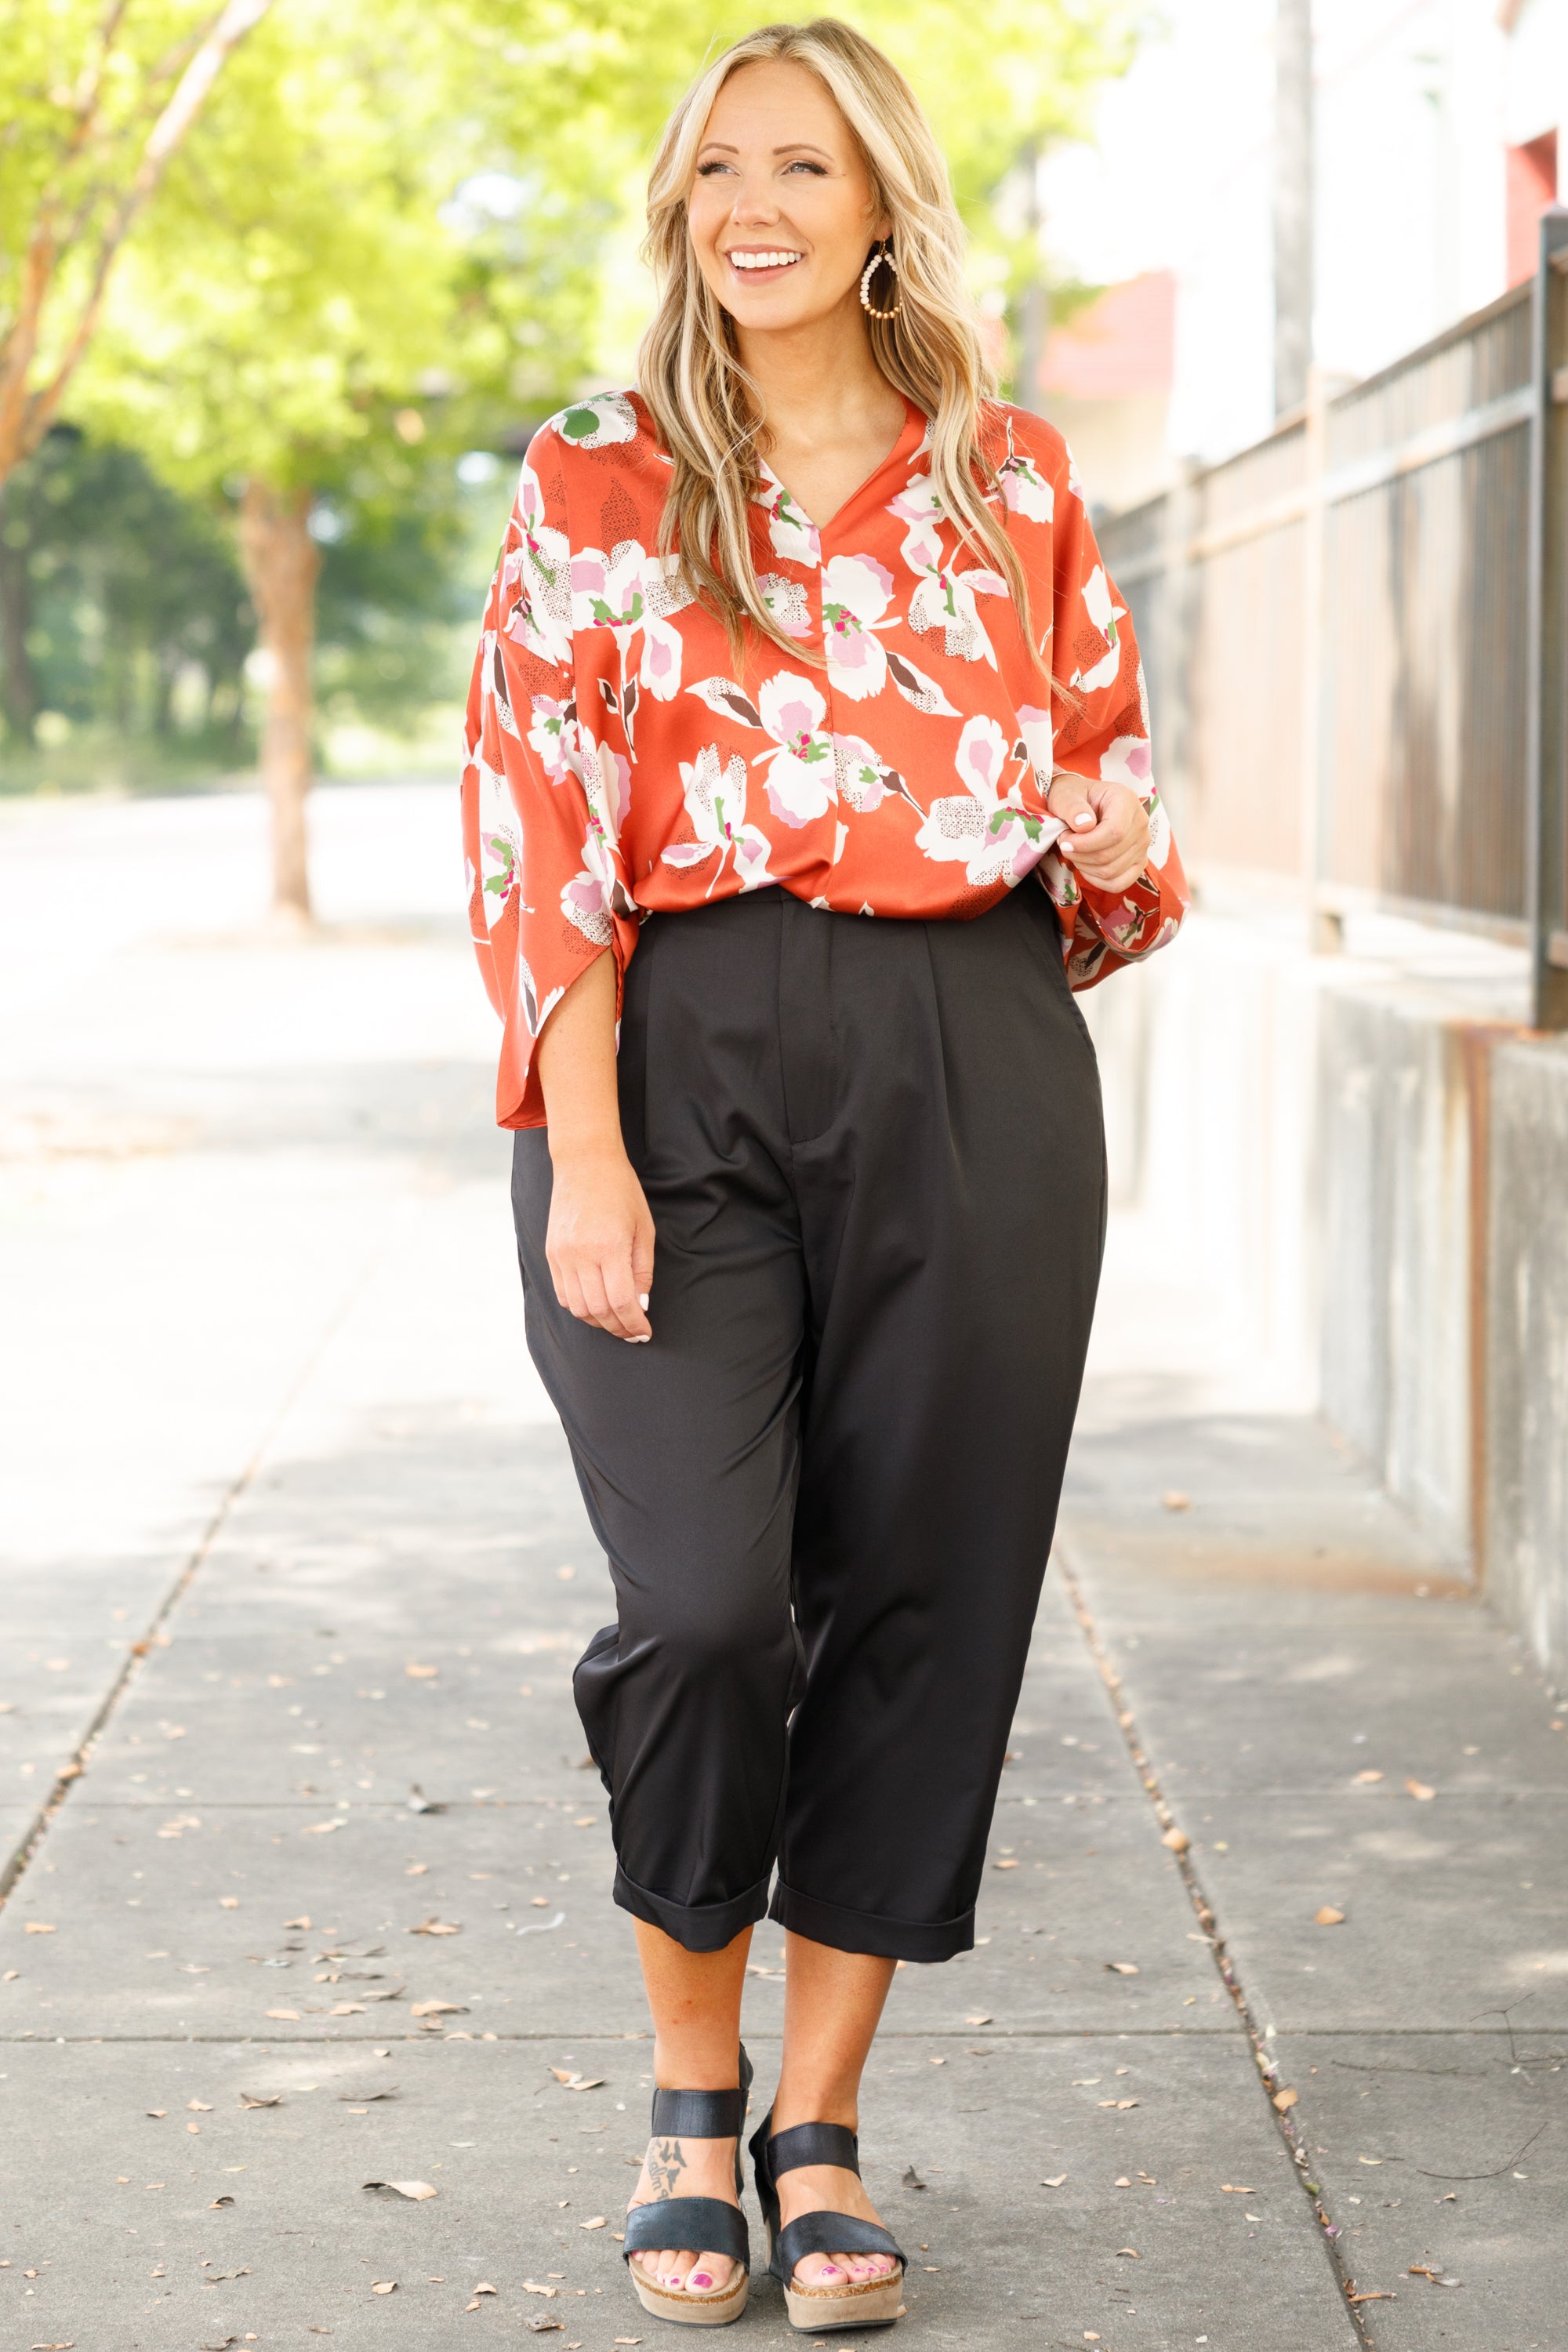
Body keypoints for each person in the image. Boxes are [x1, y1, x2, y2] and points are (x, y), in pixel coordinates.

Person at [461, 16, 1187, 2332]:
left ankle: (814, 2126)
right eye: (717, 169)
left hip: (970, 1050)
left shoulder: (1015, 478)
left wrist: (1110, 837)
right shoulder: (597, 476)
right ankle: (687, 2094)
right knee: (699, 1606)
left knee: (925, 1594)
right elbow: (540, 844)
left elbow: (1120, 852)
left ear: (881, 206)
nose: (752, 207)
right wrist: (586, 1157)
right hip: (672, 1065)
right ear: (680, 209)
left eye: (800, 166)